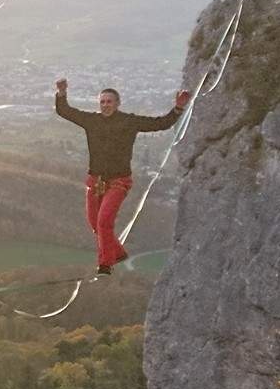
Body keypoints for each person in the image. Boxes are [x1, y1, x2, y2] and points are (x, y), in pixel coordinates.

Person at [52, 78, 191, 275]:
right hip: (95, 181)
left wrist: (178, 108)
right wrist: (62, 92)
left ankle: (105, 264)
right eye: (102, 102)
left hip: (119, 181)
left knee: (103, 221)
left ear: (117, 103)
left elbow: (160, 124)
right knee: (95, 224)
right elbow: (64, 111)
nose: (105, 105)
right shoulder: (92, 121)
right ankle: (117, 252)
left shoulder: (129, 121)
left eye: (109, 101)